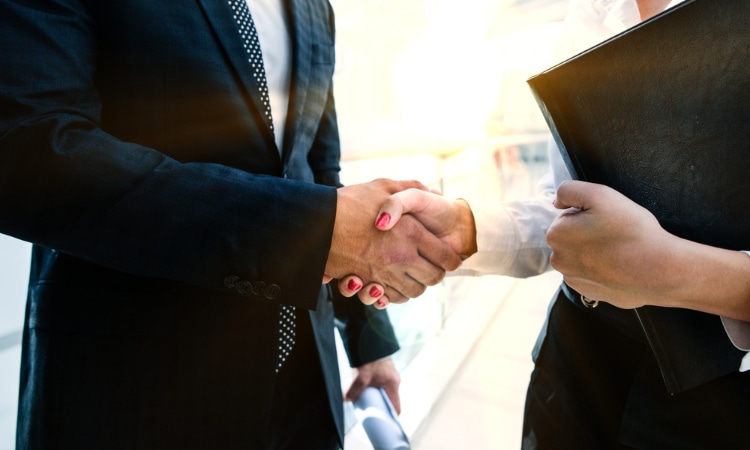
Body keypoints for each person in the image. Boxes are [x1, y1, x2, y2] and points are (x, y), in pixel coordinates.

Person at [0, 0, 462, 449]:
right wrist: (306, 229)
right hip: (136, 390)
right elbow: (29, 151)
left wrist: (369, 342)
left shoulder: (313, 6)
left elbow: (318, 174)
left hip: (304, 388)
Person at [359, 0, 750, 448]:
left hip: (719, 401)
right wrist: (468, 231)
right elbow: (569, 202)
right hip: (574, 362)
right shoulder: (596, 11)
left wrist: (678, 273)